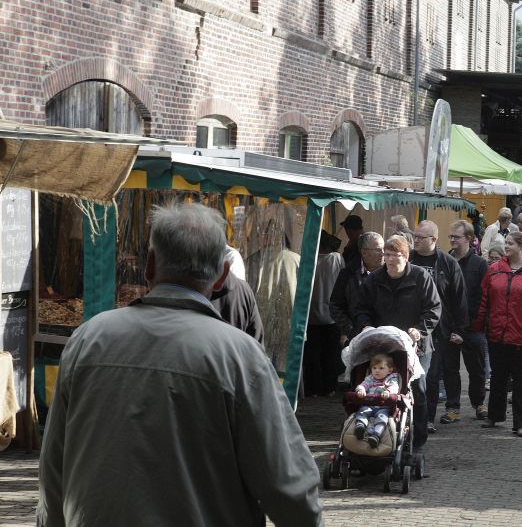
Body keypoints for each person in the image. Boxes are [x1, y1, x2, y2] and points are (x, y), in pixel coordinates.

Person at [38, 202, 323, 527]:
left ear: (149, 265)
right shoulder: (241, 357)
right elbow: (292, 491)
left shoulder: (87, 340)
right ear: (222, 276)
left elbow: (53, 471)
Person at [355, 236, 441, 449]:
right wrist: (366, 326)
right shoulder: (374, 279)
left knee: (417, 390)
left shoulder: (420, 277)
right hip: (383, 344)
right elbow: (360, 308)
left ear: (407, 257)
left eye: (397, 255)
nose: (391, 259)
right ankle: (377, 431)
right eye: (387, 255)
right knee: (377, 386)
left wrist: (419, 330)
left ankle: (417, 440)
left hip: (416, 346)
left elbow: (434, 308)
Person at [472, 232, 522, 438]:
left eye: (510, 243)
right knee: (498, 376)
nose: (506, 246)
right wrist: (479, 324)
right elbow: (484, 299)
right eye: (505, 243)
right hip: (497, 333)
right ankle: (494, 415)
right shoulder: (494, 269)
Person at [410, 220, 469, 429]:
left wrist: (460, 330)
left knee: (431, 376)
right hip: (409, 327)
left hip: (438, 330)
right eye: (415, 236)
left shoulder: (448, 263)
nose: (416, 240)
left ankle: (427, 419)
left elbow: (459, 298)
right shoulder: (408, 259)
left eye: (420, 237)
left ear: (433, 239)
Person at [448, 220, 489, 420]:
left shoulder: (480, 264)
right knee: (450, 370)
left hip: (473, 327)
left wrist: (473, 324)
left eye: (456, 236)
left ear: (470, 239)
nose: (452, 240)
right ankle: (453, 408)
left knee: (477, 370)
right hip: (450, 327)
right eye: (451, 236)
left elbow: (484, 297)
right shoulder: (445, 260)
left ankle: (479, 403)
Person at [303, 230, 345, 396]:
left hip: (311, 315)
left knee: (313, 355)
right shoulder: (336, 259)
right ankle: (329, 388)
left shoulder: (307, 260)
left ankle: (313, 388)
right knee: (330, 354)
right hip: (332, 315)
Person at [330, 232, 384, 349]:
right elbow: (335, 306)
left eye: (384, 249)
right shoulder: (348, 274)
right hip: (357, 337)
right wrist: (350, 330)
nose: (383, 253)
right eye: (378, 250)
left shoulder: (390, 273)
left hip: (384, 336)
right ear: (364, 252)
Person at [353, 353, 401, 448]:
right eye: (374, 368)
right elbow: (363, 385)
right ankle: (360, 427)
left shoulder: (391, 378)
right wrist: (361, 390)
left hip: (383, 406)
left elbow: (394, 387)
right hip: (368, 404)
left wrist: (388, 392)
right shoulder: (370, 378)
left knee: (382, 418)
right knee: (362, 412)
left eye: (381, 368)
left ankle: (376, 435)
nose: (377, 370)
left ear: (390, 370)